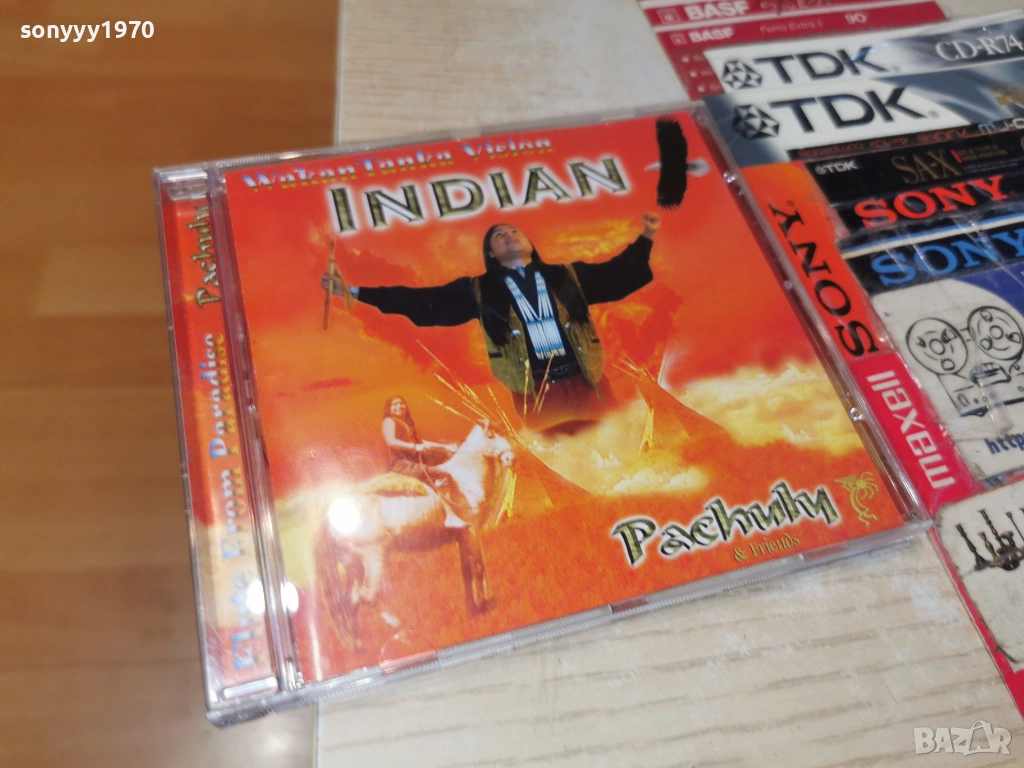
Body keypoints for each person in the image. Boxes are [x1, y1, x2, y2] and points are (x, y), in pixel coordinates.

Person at [325, 213, 661, 430]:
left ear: (530, 244)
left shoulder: (565, 276)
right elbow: (422, 300)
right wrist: (354, 291)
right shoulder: (480, 290)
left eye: (514, 231)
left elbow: (616, 274)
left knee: (614, 443)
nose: (509, 235)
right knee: (562, 457)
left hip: (588, 382)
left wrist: (646, 237)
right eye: (499, 236)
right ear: (491, 253)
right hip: (536, 393)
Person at [381, 396, 456, 486]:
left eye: (401, 403)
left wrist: (445, 446)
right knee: (442, 470)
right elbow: (391, 441)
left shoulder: (407, 425)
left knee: (446, 454)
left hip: (415, 461)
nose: (399, 406)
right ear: (388, 408)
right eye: (395, 404)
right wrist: (415, 447)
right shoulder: (389, 421)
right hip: (402, 466)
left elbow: (422, 442)